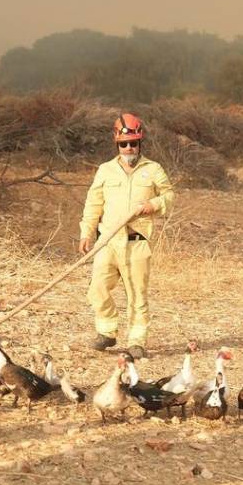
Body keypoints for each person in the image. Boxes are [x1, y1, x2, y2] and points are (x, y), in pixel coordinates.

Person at [79, 113, 174, 359]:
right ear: (117, 144)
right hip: (107, 241)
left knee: (137, 294)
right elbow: (93, 204)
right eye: (124, 144)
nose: (129, 148)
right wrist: (86, 233)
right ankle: (107, 331)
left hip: (137, 242)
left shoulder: (153, 169)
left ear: (140, 143)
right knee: (97, 288)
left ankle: (136, 341)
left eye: (133, 143)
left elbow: (169, 196)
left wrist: (152, 205)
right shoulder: (105, 170)